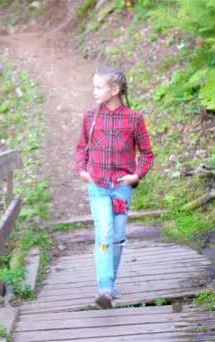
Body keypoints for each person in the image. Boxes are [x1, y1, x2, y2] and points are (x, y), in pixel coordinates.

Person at [75, 65, 154, 309]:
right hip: (98, 186)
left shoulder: (134, 118)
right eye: (94, 86)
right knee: (105, 232)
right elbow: (81, 148)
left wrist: (136, 175)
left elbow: (147, 154)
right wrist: (82, 169)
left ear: (115, 90)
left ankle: (111, 284)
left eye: (99, 87)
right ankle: (105, 289)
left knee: (118, 237)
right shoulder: (90, 117)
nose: (94, 92)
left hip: (121, 189)